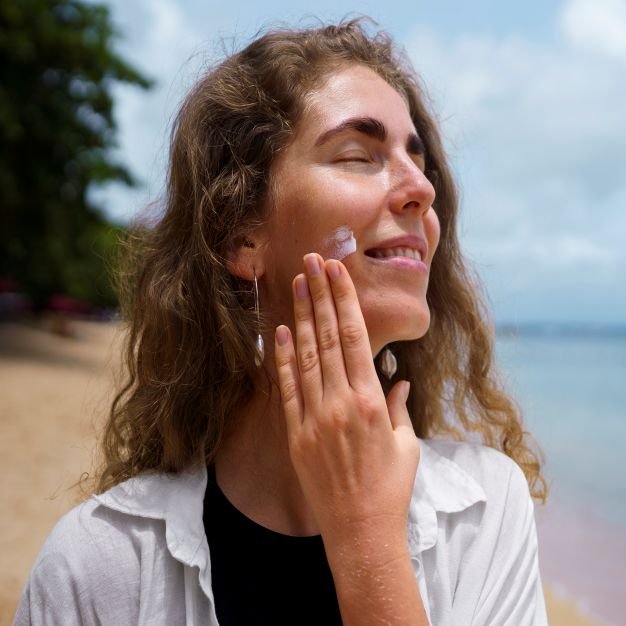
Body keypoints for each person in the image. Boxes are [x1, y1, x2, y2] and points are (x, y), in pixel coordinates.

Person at [15, 18, 549, 626]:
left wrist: (365, 536)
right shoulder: (98, 565)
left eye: (418, 160)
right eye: (358, 156)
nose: (421, 191)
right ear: (241, 234)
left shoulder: (483, 514)